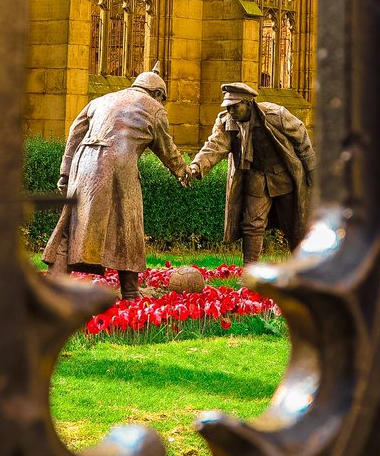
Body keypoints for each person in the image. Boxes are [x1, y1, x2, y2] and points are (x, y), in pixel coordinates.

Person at [42, 65, 190, 299]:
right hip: (118, 164)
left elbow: (75, 133)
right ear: (158, 94)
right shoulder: (155, 109)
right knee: (128, 224)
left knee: (72, 220)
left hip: (84, 161)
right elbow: (166, 148)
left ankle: (54, 282)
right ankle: (130, 292)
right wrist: (183, 171)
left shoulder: (102, 99)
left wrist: (66, 172)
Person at [189, 82, 314, 262]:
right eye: (228, 107)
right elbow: (214, 146)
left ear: (248, 104)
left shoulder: (275, 115)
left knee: (296, 225)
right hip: (255, 177)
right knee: (251, 224)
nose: (231, 111)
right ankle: (249, 269)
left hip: (283, 177)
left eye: (234, 106)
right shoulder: (226, 122)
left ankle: (304, 267)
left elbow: (301, 137)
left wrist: (311, 168)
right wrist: (197, 165)